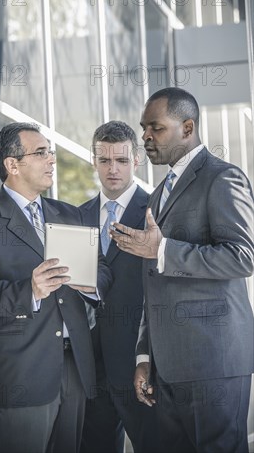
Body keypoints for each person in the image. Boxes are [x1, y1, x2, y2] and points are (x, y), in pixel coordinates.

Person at [110, 88, 254, 453]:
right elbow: (153, 284)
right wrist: (145, 357)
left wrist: (163, 249)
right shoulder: (157, 194)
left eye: (155, 128)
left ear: (187, 127)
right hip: (166, 370)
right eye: (143, 128)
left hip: (213, 362)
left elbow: (242, 256)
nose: (144, 137)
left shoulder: (223, 178)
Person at [0, 122, 112, 453]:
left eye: (50, 152)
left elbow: (103, 270)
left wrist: (90, 284)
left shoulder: (71, 215)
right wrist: (30, 290)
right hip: (20, 375)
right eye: (41, 153)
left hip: (76, 370)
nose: (51, 160)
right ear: (13, 165)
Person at [80, 121, 159, 453]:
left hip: (138, 365)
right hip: (89, 369)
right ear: (94, 161)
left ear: (136, 161)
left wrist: (151, 356)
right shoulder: (75, 216)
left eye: (122, 161)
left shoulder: (158, 212)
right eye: (104, 160)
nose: (113, 169)